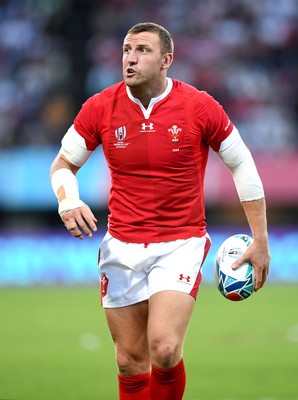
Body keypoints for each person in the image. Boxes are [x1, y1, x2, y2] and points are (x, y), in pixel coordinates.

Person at [50, 22, 270, 400]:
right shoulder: (100, 107)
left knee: (165, 349)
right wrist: (68, 200)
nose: (130, 58)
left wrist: (261, 240)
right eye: (126, 49)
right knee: (129, 360)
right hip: (122, 244)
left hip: (180, 241)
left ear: (167, 60)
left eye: (142, 51)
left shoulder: (199, 106)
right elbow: (62, 165)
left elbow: (243, 165)